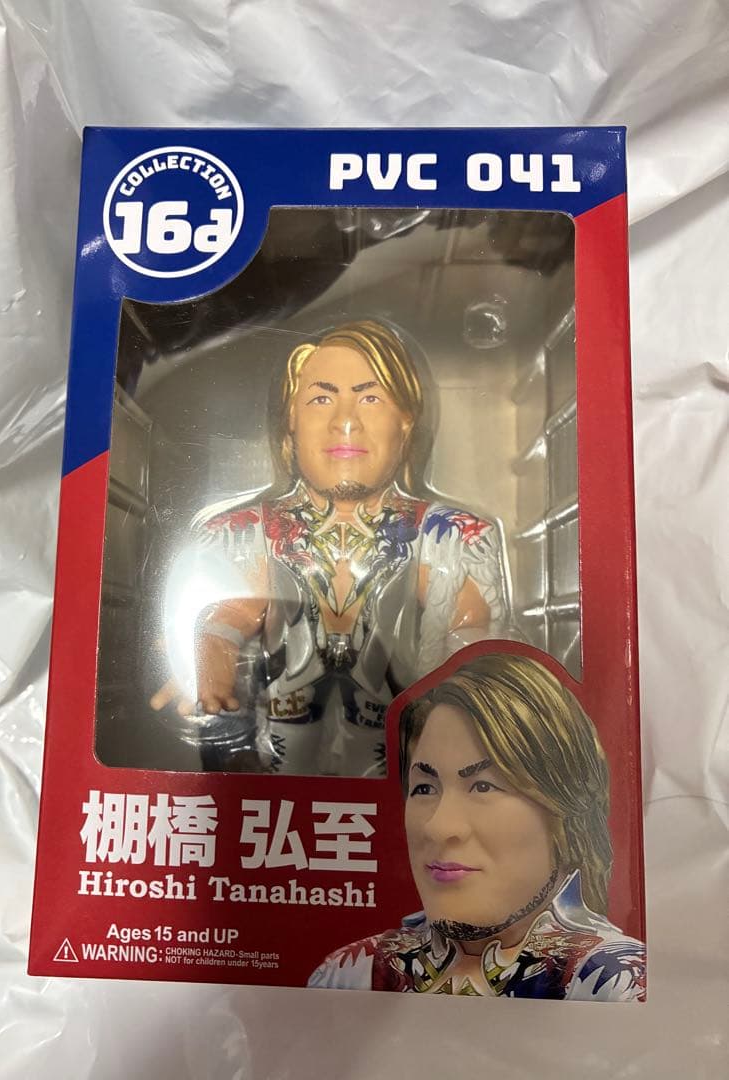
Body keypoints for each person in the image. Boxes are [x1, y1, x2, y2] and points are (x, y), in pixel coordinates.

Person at [151, 320, 508, 776]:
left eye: (370, 398)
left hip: (404, 771)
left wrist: (464, 697)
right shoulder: (244, 533)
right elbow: (230, 610)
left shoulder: (448, 538)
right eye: (321, 399)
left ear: (406, 420)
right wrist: (209, 649)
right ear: (291, 421)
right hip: (272, 765)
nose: (345, 421)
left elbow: (472, 633)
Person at [308, 653, 646, 999]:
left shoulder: (614, 982)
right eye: (424, 788)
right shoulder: (353, 973)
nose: (438, 827)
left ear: (564, 808)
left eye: (484, 786)